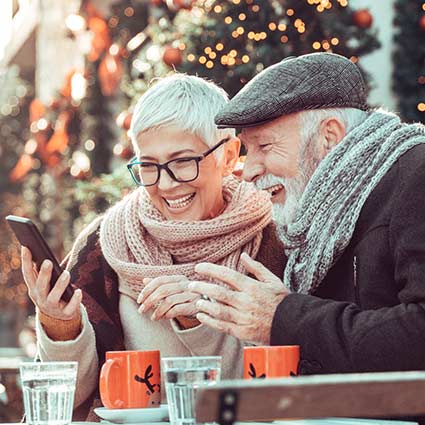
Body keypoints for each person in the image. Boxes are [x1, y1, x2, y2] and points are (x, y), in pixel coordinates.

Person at [20, 74, 284, 420]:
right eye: (149, 166)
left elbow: (279, 388)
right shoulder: (105, 244)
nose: (165, 183)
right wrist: (62, 326)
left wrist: (197, 316)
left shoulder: (273, 238)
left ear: (229, 154)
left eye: (182, 162)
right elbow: (72, 401)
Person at [187, 52, 425, 375]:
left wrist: (282, 317)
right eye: (247, 149)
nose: (249, 171)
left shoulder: (416, 175)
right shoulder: (308, 218)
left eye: (265, 147)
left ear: (329, 136)